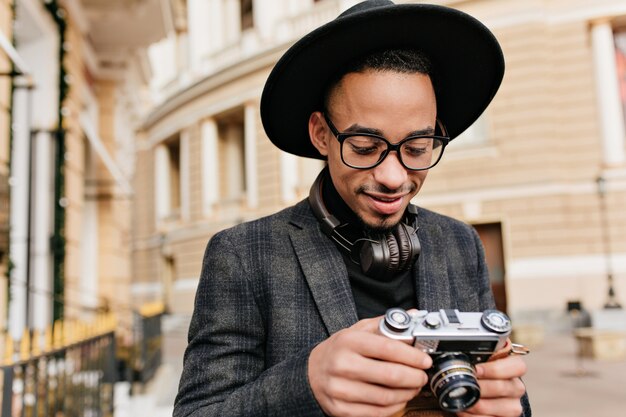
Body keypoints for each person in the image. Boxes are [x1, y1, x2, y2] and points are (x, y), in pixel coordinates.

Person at [174, 1, 531, 416]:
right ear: (322, 134)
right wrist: (306, 383)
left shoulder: (460, 243)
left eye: (417, 148)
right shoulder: (242, 255)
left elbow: (510, 393)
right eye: (366, 148)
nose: (395, 177)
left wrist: (510, 405)